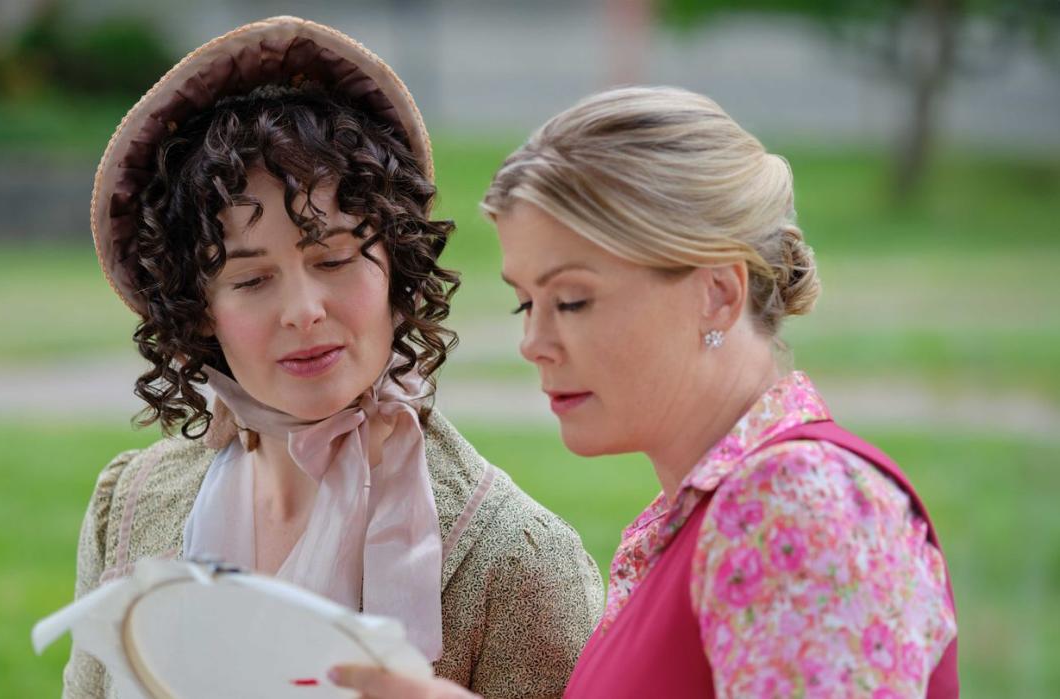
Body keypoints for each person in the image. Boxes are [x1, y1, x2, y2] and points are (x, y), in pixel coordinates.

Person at [331, 86, 959, 698]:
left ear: (717, 293)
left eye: (572, 300)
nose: (534, 341)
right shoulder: (687, 518)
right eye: (528, 302)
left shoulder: (797, 503)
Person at [63, 16, 603, 699]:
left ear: (397, 269)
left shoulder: (517, 562)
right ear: (198, 308)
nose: (303, 309)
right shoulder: (130, 504)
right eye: (252, 279)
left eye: (335, 257)